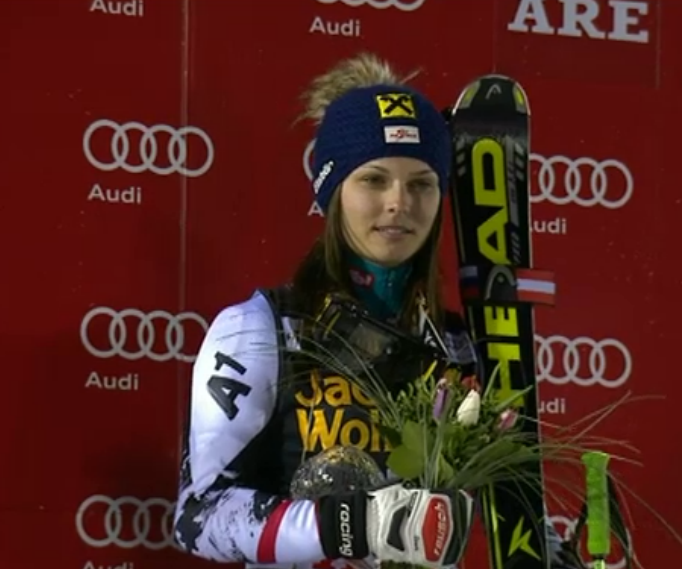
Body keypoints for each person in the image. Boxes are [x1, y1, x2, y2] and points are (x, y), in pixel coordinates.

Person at [173, 52, 578, 569]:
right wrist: (350, 526)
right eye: (373, 179)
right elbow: (198, 515)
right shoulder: (260, 329)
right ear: (333, 191)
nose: (398, 203)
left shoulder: (458, 347)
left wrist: (557, 556)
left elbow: (501, 513)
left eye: (421, 183)